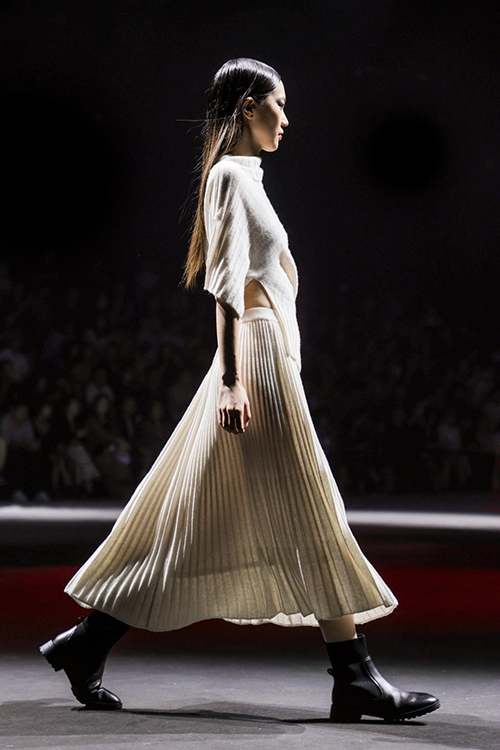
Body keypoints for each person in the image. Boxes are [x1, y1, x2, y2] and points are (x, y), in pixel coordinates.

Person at [39, 57, 441, 723]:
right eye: (278, 105)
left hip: (263, 354)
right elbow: (225, 284)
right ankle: (355, 676)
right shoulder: (230, 175)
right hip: (253, 358)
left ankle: (88, 643)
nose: (287, 118)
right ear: (249, 106)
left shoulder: (248, 177)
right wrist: (231, 381)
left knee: (196, 515)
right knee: (311, 502)